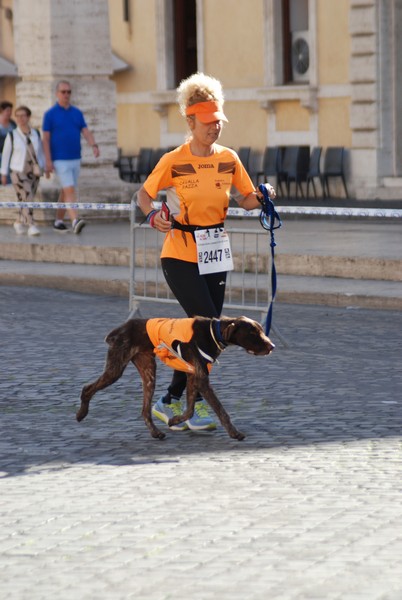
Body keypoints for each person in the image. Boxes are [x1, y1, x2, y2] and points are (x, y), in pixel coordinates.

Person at [137, 72, 276, 432]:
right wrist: (154, 217)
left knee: (209, 336)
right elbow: (143, 195)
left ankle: (169, 401)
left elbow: (245, 199)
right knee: (207, 331)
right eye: (209, 123)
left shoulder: (229, 159)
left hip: (216, 252)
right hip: (180, 255)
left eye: (219, 122)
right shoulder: (174, 160)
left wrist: (263, 195)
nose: (215, 128)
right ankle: (191, 408)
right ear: (190, 121)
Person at [42, 80, 100, 234]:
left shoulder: (77, 113)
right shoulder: (50, 115)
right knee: (70, 190)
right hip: (59, 159)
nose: (66, 95)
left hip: (75, 157)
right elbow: (46, 139)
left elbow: (85, 131)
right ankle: (75, 220)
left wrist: (93, 145)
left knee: (66, 190)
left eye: (69, 92)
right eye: (63, 92)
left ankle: (58, 221)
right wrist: (47, 160)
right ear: (57, 93)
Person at [1, 105, 44, 236]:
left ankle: (19, 222)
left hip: (34, 172)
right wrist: (3, 173)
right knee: (27, 196)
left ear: (28, 117)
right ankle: (31, 225)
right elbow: (6, 155)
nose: (20, 118)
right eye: (17, 116)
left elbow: (40, 152)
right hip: (18, 172)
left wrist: (44, 166)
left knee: (25, 199)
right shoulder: (12, 135)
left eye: (23, 115)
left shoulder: (35, 133)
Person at [0, 101, 17, 185]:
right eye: (7, 110)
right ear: (2, 111)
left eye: (10, 110)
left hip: (11, 152)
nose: (9, 113)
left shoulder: (12, 124)